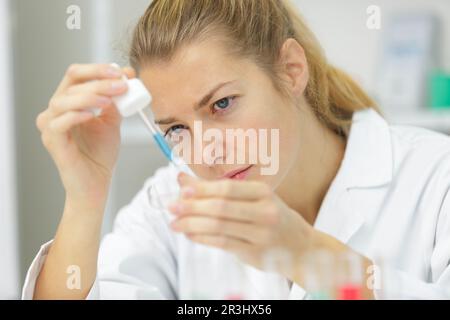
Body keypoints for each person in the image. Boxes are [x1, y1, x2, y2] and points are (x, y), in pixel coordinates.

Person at [23, 0, 450, 299]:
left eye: (222, 104)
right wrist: (84, 198)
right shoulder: (169, 202)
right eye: (175, 128)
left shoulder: (434, 179)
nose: (205, 154)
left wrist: (304, 253)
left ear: (291, 69)